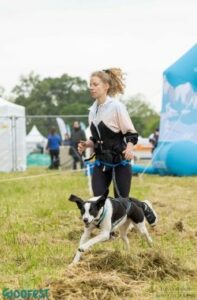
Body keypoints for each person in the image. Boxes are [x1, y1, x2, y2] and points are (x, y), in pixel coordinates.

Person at [78, 68, 158, 226]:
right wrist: (87, 143)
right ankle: (109, 230)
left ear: (106, 86)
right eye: (90, 84)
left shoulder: (116, 107)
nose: (91, 87)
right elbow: (97, 139)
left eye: (95, 84)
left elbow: (131, 133)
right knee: (99, 200)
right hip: (101, 163)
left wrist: (129, 148)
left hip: (120, 162)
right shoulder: (92, 111)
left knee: (122, 202)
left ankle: (144, 207)